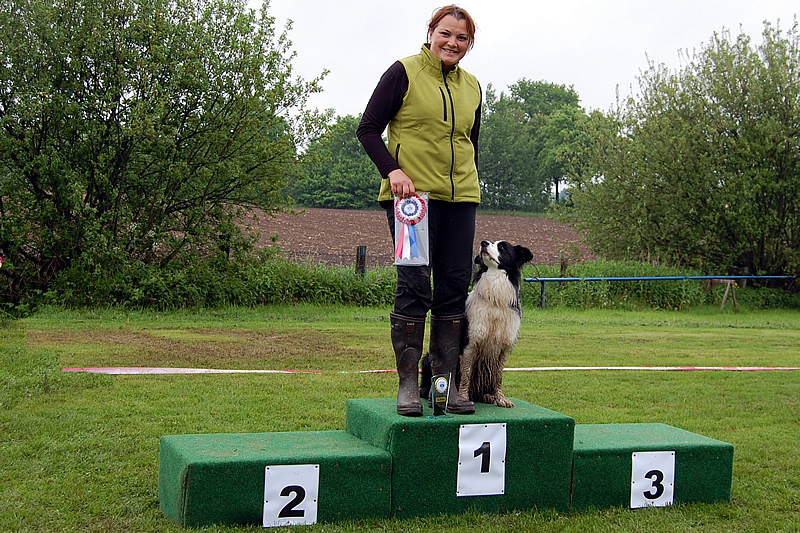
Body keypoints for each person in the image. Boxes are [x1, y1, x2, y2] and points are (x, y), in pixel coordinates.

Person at [357, 5, 481, 416]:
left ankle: (443, 387)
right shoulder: (403, 72)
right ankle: (408, 386)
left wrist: (467, 181)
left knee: (453, 288)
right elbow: (368, 128)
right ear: (431, 32)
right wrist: (392, 170)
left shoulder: (473, 87)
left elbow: (469, 144)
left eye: (462, 38)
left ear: (469, 44)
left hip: (460, 199)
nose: (453, 43)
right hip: (412, 201)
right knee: (414, 286)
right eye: (446, 33)